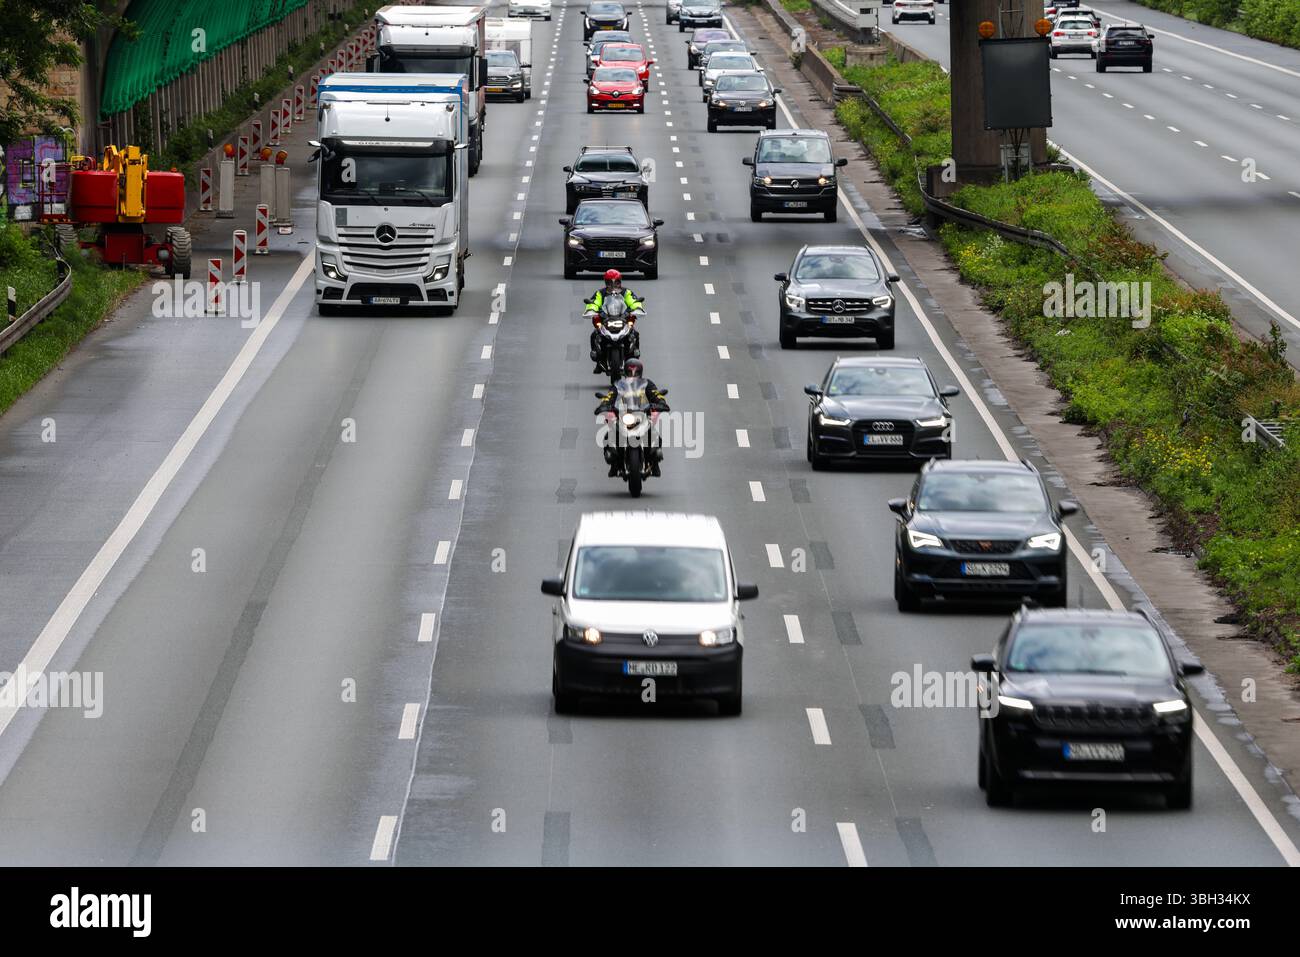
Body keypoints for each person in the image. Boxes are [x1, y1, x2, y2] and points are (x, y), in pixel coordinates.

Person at [594, 358, 669, 477]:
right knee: (609, 435)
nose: (633, 375)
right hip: (624, 415)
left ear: (640, 372)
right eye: (630, 372)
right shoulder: (618, 385)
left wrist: (660, 402)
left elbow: (656, 394)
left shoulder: (647, 384)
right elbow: (609, 397)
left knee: (654, 434)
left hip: (642, 414)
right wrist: (604, 405)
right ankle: (614, 464)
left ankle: (655, 463)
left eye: (636, 372)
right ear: (625, 372)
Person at [585, 269, 643, 372]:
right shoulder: (600, 293)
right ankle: (598, 361)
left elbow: (633, 301)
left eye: (616, 282)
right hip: (606, 319)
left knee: (635, 333)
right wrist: (591, 309)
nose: (613, 285)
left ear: (620, 281)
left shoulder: (626, 292)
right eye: (609, 282)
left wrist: (637, 307)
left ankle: (635, 356)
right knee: (595, 334)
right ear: (606, 282)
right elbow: (594, 302)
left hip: (623, 318)